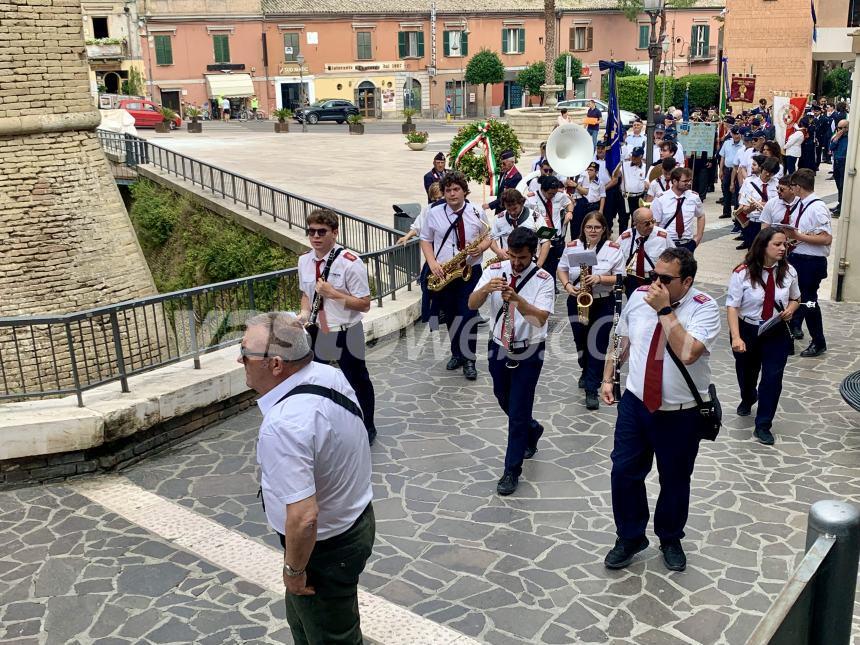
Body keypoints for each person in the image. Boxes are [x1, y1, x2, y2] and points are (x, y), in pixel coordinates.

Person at [243, 312, 374, 645]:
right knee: (308, 621)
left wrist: (294, 571)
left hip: (324, 551)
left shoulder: (285, 424)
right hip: (354, 522)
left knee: (333, 636)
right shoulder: (328, 376)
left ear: (275, 365)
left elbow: (303, 518)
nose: (239, 360)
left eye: (246, 354)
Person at [601, 247, 721, 572]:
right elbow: (619, 338)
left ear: (687, 280)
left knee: (675, 479)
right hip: (636, 404)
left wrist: (665, 310)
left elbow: (688, 352)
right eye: (654, 275)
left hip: (680, 414)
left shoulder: (704, 308)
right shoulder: (639, 297)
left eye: (665, 279)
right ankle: (629, 536)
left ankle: (670, 537)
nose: (655, 283)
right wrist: (608, 377)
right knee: (623, 472)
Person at [468, 228, 554, 496]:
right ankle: (533, 428)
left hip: (529, 350)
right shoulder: (495, 269)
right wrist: (485, 289)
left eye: (523, 258)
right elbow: (471, 304)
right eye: (514, 256)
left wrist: (519, 301)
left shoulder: (543, 278)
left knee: (517, 412)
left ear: (533, 254)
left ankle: (511, 470)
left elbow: (540, 319)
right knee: (503, 397)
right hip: (498, 346)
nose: (517, 263)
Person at [298, 209, 377, 444]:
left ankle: (368, 425)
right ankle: (322, 428)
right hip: (317, 331)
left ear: (335, 233)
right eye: (311, 231)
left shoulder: (351, 263)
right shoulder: (304, 260)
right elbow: (305, 293)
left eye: (322, 232)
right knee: (316, 382)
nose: (315, 237)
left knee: (358, 380)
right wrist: (303, 313)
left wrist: (333, 293)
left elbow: (364, 304)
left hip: (346, 331)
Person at [726, 228, 800, 445]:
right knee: (746, 372)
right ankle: (747, 396)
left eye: (784, 244)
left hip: (775, 331)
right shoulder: (742, 273)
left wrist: (791, 309)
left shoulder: (789, 272)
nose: (782, 248)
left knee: (772, 378)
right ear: (763, 246)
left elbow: (796, 298)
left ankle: (763, 424)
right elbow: (732, 306)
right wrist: (736, 337)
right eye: (777, 244)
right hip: (747, 329)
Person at [421, 171, 492, 380]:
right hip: (445, 272)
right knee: (451, 315)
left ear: (464, 191)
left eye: (456, 189)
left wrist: (480, 249)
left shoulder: (477, 211)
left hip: (470, 271)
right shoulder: (433, 213)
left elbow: (488, 237)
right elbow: (425, 240)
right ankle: (457, 354)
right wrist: (433, 263)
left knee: (468, 314)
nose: (452, 194)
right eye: (448, 190)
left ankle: (469, 360)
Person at [558, 211, 624, 410]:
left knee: (597, 344)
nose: (592, 231)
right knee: (580, 342)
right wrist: (568, 286)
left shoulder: (613, 249)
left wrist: (600, 279)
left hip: (603, 301)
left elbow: (620, 277)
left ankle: (592, 388)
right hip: (577, 299)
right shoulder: (572, 247)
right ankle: (585, 370)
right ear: (583, 229)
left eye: (597, 227)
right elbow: (561, 269)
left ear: (604, 229)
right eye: (589, 227)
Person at [785, 169, 832, 357]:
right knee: (796, 298)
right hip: (798, 258)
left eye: (793, 186)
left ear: (799, 187)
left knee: (809, 301)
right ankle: (793, 330)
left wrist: (797, 236)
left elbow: (826, 238)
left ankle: (818, 340)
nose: (791, 189)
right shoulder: (801, 204)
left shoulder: (817, 207)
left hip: (811, 262)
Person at [617, 207, 673, 297]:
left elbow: (674, 258)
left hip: (654, 280)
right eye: (646, 223)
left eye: (653, 221)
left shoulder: (663, 236)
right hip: (632, 281)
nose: (651, 225)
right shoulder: (625, 237)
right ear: (635, 223)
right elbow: (616, 260)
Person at [525, 175, 572, 279]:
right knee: (539, 266)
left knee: (552, 267)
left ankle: (552, 287)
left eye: (554, 193)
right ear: (542, 189)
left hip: (555, 238)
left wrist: (569, 212)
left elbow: (569, 203)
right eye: (550, 193)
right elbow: (527, 216)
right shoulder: (531, 199)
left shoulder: (559, 196)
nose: (552, 196)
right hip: (540, 239)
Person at [650, 167, 705, 253]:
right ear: (675, 181)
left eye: (689, 180)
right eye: (685, 181)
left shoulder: (694, 197)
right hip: (667, 244)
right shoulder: (661, 199)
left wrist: (698, 237)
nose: (689, 183)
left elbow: (701, 215)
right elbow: (655, 224)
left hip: (687, 244)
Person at [736, 156, 779, 250]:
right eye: (765, 171)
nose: (767, 174)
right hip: (754, 223)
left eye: (770, 173)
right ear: (762, 168)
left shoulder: (777, 184)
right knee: (753, 252)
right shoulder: (749, 182)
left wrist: (767, 206)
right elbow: (744, 209)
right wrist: (752, 207)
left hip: (771, 224)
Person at [489, 188, 541, 261]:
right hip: (508, 261)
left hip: (531, 261)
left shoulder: (535, 217)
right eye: (508, 209)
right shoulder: (499, 218)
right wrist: (498, 251)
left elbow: (546, 241)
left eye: (515, 208)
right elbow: (491, 238)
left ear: (522, 203)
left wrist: (539, 264)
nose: (512, 212)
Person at [614, 146, 649, 233]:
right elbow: (615, 175)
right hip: (624, 197)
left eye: (636, 156)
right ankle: (622, 240)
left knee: (636, 220)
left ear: (641, 156)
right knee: (622, 220)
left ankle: (634, 239)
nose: (633, 158)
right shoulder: (624, 165)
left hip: (638, 198)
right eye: (633, 155)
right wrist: (618, 163)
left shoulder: (645, 167)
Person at [568, 161, 605, 240]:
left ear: (596, 172)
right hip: (583, 205)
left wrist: (601, 210)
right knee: (578, 225)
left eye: (591, 170)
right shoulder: (583, 179)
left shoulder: (600, 183)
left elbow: (602, 196)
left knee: (591, 226)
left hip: (594, 206)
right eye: (588, 169)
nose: (588, 171)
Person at [719, 127, 745, 219]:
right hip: (727, 169)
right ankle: (726, 211)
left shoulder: (743, 145)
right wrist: (721, 170)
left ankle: (737, 213)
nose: (736, 136)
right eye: (735, 134)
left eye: (738, 134)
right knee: (726, 190)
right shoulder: (727, 143)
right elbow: (723, 157)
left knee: (738, 191)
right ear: (731, 134)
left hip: (738, 171)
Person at [830, 118, 849, 216]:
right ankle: (839, 203)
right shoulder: (837, 137)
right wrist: (836, 139)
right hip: (836, 162)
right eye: (838, 127)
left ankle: (842, 206)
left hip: (844, 162)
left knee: (842, 186)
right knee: (838, 185)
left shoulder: (849, 138)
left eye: (842, 128)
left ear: (847, 128)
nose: (840, 130)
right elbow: (831, 148)